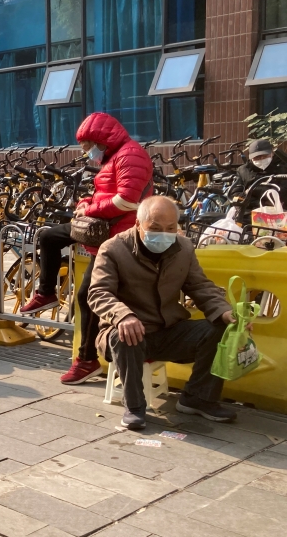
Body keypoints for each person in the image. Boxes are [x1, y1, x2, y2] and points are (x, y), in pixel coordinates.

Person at [19, 112, 153, 385]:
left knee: (88, 295)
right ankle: (47, 293)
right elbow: (105, 191)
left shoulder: (130, 155)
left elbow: (128, 201)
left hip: (118, 236)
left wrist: (89, 209)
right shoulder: (112, 156)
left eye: (86, 147)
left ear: (101, 140)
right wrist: (85, 202)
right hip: (99, 226)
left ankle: (87, 360)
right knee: (49, 237)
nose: (86, 153)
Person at [88, 196, 240, 429]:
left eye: (170, 228)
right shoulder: (114, 249)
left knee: (221, 328)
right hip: (125, 332)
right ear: (138, 225)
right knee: (125, 335)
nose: (164, 234)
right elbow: (99, 293)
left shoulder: (184, 248)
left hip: (168, 329)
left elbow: (200, 286)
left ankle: (197, 398)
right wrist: (123, 316)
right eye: (155, 228)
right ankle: (135, 406)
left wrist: (225, 312)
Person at [231, 139, 287, 210]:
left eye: (264, 156)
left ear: (272, 153)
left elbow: (284, 190)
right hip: (250, 213)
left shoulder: (283, 168)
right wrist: (261, 203)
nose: (261, 159)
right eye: (257, 157)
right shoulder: (243, 170)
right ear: (251, 158)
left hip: (281, 212)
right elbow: (235, 193)